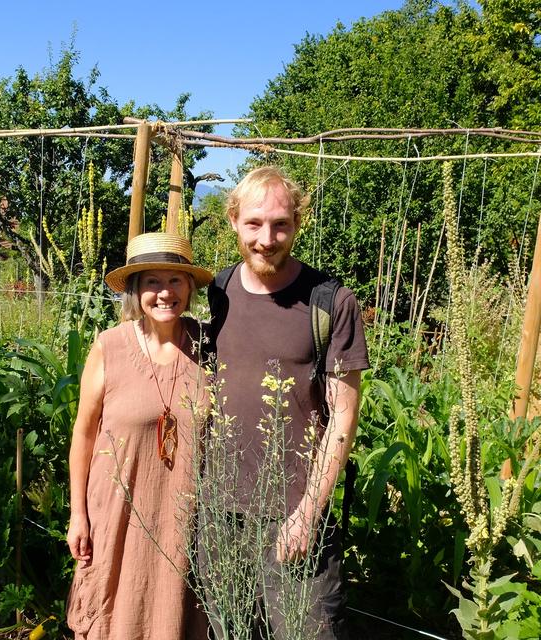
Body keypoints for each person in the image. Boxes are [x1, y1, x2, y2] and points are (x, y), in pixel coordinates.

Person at [205, 166, 369, 639]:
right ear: (233, 221)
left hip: (293, 515)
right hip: (220, 513)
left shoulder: (330, 301)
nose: (267, 238)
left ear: (298, 223)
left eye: (280, 224)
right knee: (230, 631)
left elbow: (343, 415)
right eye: (254, 224)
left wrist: (307, 513)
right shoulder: (218, 291)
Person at [66, 232, 213, 640]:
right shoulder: (109, 347)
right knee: (113, 613)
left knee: (173, 613)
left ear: (190, 288)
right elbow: (83, 434)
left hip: (183, 517)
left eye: (175, 280)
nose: (165, 293)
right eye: (152, 281)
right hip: (116, 513)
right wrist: (78, 514)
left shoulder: (208, 346)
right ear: (135, 290)